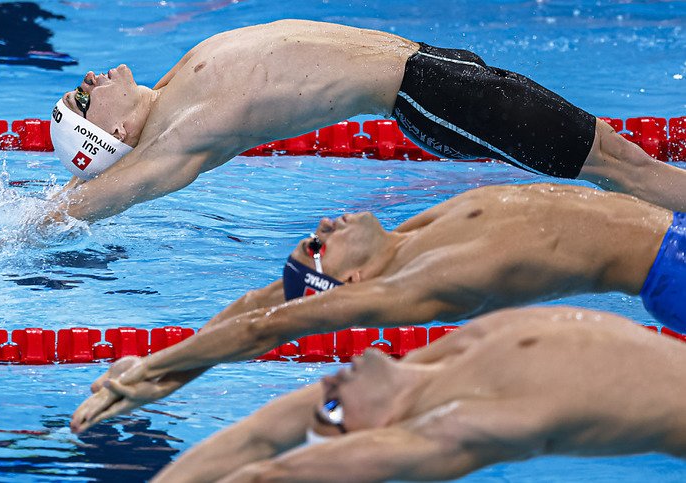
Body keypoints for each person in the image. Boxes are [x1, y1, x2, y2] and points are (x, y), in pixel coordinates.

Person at [70, 182, 686, 434]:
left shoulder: (412, 234)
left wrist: (166, 360)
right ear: (355, 278)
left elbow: (264, 300)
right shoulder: (414, 284)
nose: (321, 224)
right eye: (319, 244)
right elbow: (274, 324)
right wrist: (154, 371)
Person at [48, 19, 686, 224]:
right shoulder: (182, 134)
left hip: (438, 72)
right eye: (81, 102)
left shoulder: (172, 84)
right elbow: (107, 192)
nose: (86, 83)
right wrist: (6, 233)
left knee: (624, 164)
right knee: (628, 168)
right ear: (110, 134)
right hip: (438, 97)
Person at [148, 306, 686, 483]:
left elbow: (263, 436)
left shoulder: (434, 367)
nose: (327, 380)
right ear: (373, 434)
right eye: (332, 405)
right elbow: (275, 474)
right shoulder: (468, 425)